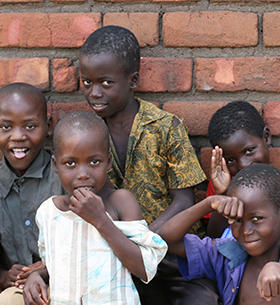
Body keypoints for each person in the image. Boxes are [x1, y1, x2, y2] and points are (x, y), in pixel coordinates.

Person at [79, 25, 217, 304]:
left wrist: (144, 241)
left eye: (106, 83)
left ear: (133, 80)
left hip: (172, 258)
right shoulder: (85, 134)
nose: (94, 92)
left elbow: (184, 201)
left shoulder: (167, 127)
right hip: (114, 259)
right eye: (86, 82)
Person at [22, 111, 167, 305]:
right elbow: (56, 263)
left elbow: (145, 268)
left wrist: (100, 220)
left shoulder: (121, 202)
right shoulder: (48, 212)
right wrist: (36, 276)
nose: (83, 174)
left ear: (108, 162)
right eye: (70, 163)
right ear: (56, 165)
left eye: (94, 162)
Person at [158, 163, 280, 305]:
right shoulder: (224, 255)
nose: (246, 231)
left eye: (257, 218)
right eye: (237, 220)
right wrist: (208, 204)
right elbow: (166, 240)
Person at [0, 83, 64, 305]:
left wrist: (45, 269)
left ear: (49, 126)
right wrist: (3, 276)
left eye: (30, 126)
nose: (18, 136)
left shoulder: (65, 176)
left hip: (72, 279)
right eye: (6, 127)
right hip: (23, 292)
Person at [205, 101, 280, 242]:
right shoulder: (222, 186)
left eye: (249, 151)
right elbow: (214, 237)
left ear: (266, 137)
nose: (244, 165)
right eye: (231, 160)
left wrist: (273, 215)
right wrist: (222, 194)